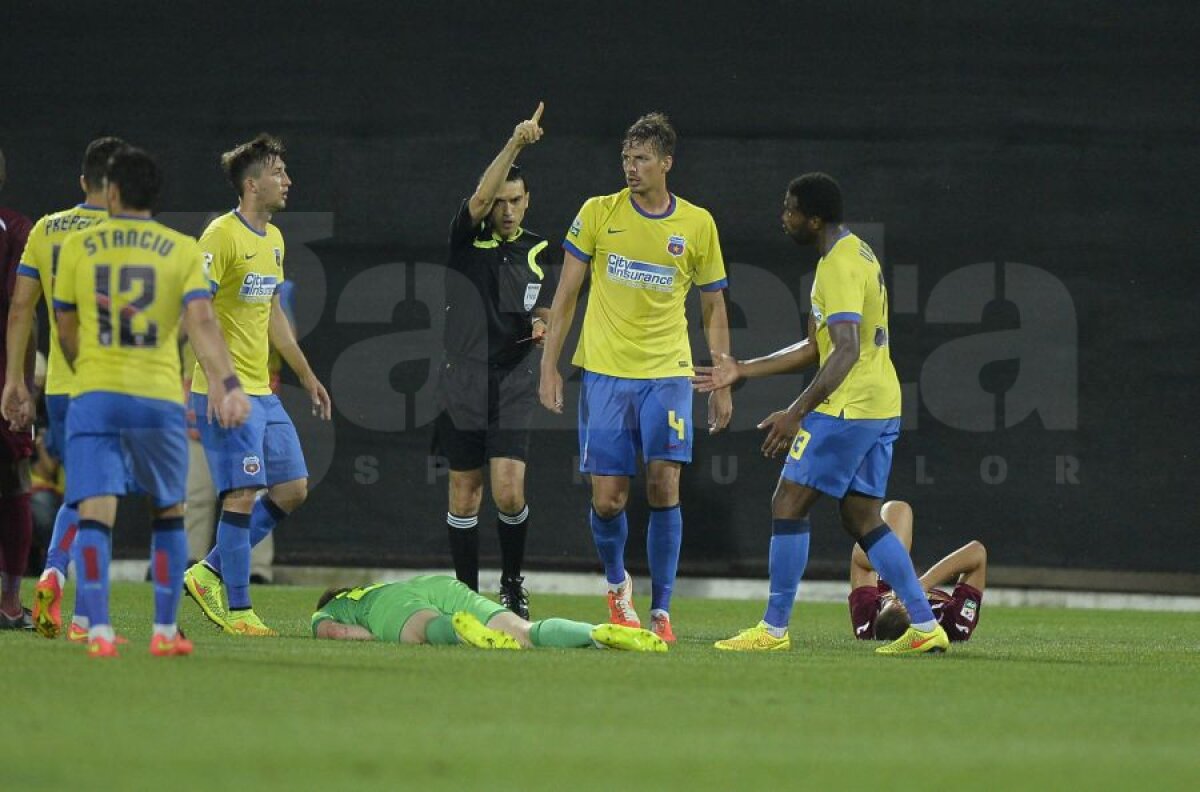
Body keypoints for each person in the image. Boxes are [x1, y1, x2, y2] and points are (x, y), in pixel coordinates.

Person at [695, 173, 949, 655]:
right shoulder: (856, 253)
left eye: (790, 209)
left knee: (787, 501)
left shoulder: (837, 267)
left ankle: (772, 630)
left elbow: (846, 349)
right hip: (880, 402)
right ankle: (923, 624)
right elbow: (817, 346)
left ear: (813, 218)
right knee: (861, 517)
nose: (783, 217)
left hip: (849, 407)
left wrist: (795, 412)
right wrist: (742, 369)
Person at [538, 112, 733, 643]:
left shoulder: (697, 224)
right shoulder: (598, 214)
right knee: (609, 499)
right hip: (605, 373)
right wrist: (549, 366)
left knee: (664, 482)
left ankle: (662, 611)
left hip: (668, 372)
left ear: (666, 163)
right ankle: (618, 585)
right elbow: (566, 296)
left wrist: (721, 376)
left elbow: (713, 307)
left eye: (642, 158)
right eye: (626, 158)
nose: (631, 167)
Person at [52, 146, 251, 657]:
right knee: (168, 512)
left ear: (111, 192)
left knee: (95, 512)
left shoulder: (79, 245)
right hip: (158, 397)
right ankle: (163, 633)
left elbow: (66, 326)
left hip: (95, 393)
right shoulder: (181, 250)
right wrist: (228, 385)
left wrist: (88, 368)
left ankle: (97, 630)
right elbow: (202, 324)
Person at [182, 134, 331, 637]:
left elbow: (272, 316)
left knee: (291, 489)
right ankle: (241, 610)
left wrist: (307, 375)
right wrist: (222, 385)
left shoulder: (274, 240)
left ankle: (209, 571)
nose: (287, 181)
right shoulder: (220, 236)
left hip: (262, 392)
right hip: (226, 392)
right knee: (242, 492)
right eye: (277, 173)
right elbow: (196, 313)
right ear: (252, 184)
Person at [433, 102, 556, 618]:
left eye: (515, 201)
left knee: (507, 491)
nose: (506, 209)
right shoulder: (467, 238)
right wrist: (515, 144)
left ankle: (511, 584)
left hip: (512, 380)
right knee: (464, 496)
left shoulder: (537, 250)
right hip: (462, 379)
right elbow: (481, 195)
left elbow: (543, 303)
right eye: (500, 200)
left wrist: (546, 320)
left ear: (528, 203)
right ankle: (466, 594)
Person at [3, 136, 126, 640]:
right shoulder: (128, 232)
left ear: (83, 181)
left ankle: (56, 574)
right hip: (114, 382)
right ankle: (82, 613)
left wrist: (14, 381)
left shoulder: (47, 229)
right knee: (101, 496)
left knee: (83, 488)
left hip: (60, 384)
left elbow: (19, 309)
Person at [312, 574, 666, 653]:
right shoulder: (378, 584)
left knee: (425, 629)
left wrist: (377, 635)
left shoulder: (331, 609)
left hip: (392, 608)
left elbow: (335, 633)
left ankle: (458, 632)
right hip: (439, 585)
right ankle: (594, 634)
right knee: (526, 631)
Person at [849, 500, 986, 642]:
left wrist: (894, 567)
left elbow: (857, 558)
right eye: (907, 604)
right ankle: (896, 557)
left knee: (897, 508)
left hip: (891, 580)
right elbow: (977, 553)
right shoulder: (954, 628)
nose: (901, 598)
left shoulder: (867, 624)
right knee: (898, 513)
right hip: (916, 584)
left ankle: (895, 557)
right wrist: (922, 585)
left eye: (892, 600)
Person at [0, 146, 35, 629]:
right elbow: (20, 311)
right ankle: (8, 602)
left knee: (16, 487)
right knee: (14, 487)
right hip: (3, 378)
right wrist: (20, 382)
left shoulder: (18, 228)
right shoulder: (17, 228)